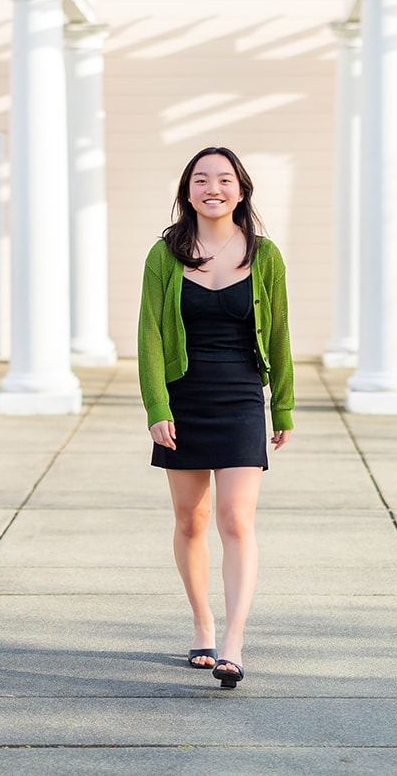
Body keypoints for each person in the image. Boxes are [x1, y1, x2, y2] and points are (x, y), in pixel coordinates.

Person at [137, 146, 294, 690]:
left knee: (236, 519)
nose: (213, 188)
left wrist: (284, 404)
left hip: (242, 396)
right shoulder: (166, 255)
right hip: (183, 398)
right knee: (191, 520)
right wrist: (157, 407)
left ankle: (233, 640)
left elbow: (279, 334)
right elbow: (150, 336)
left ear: (242, 190)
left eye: (224, 179)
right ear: (187, 192)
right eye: (201, 179)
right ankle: (202, 622)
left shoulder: (265, 255)